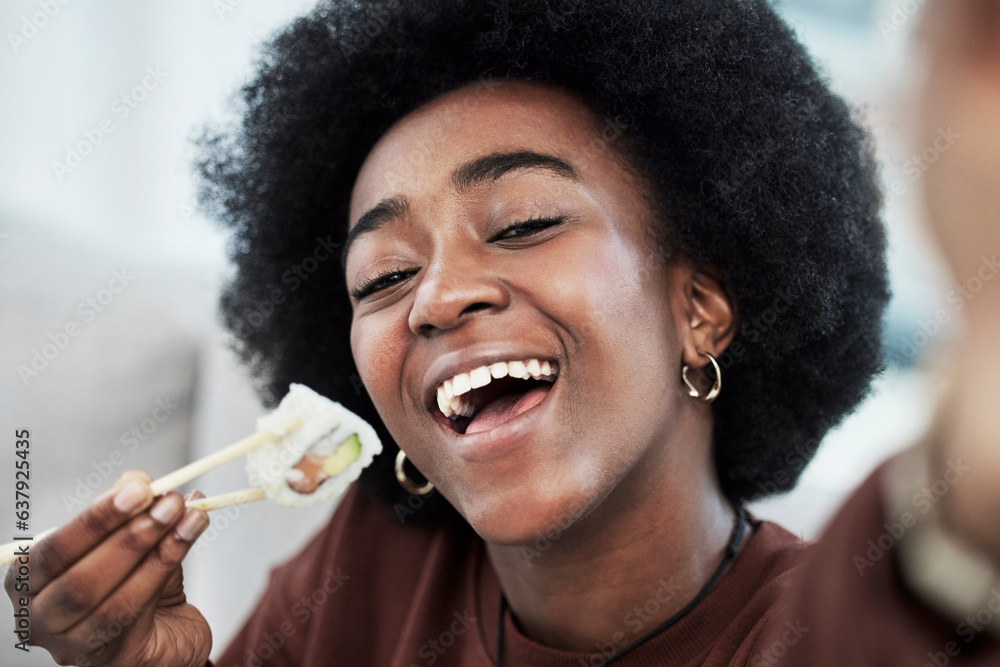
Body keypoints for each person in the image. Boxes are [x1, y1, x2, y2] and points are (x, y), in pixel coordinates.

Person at [5, 0, 998, 665]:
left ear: (698, 307)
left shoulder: (824, 624)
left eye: (523, 224)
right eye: (383, 275)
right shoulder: (360, 581)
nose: (436, 299)